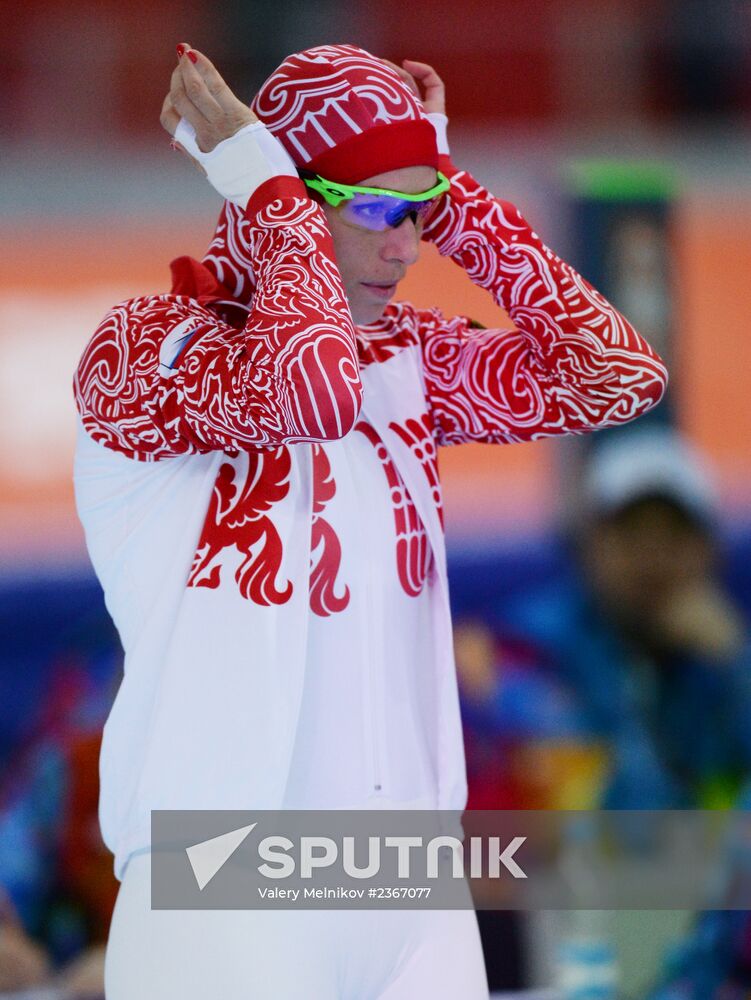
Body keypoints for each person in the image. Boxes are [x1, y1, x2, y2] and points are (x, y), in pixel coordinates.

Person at [72, 41, 667, 999]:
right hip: (222, 881)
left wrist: (448, 190)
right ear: (288, 199)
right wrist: (265, 188)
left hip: (412, 889)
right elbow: (309, 392)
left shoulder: (409, 358)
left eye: (420, 216)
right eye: (379, 211)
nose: (406, 246)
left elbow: (615, 373)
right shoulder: (143, 348)